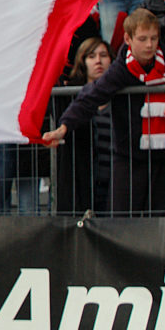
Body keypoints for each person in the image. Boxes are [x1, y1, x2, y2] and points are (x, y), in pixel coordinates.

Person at [43, 8, 165, 216]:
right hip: (129, 159)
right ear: (128, 39)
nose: (149, 45)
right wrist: (63, 128)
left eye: (154, 38)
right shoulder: (120, 69)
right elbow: (89, 98)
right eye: (143, 39)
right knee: (121, 222)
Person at [55, 37, 115, 214]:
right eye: (91, 56)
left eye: (103, 55)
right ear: (82, 61)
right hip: (83, 184)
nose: (98, 61)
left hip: (114, 182)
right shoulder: (70, 96)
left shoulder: (121, 96)